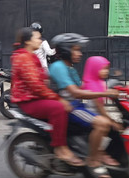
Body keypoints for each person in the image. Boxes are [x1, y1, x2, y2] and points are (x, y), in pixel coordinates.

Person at [49, 33, 121, 178]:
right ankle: (93, 160)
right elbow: (76, 93)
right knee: (103, 123)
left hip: (76, 106)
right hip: (69, 108)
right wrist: (105, 92)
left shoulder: (70, 68)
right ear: (66, 50)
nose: (80, 53)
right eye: (76, 50)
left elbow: (82, 87)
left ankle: (98, 152)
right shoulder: (58, 67)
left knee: (111, 122)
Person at [10, 27, 83, 167]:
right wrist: (57, 98)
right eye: (37, 38)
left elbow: (43, 82)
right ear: (28, 41)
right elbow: (36, 86)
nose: (40, 40)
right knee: (59, 108)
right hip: (28, 100)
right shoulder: (23, 58)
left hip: (37, 97)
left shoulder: (32, 56)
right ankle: (60, 148)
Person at [82, 56, 128, 166]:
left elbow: (109, 93)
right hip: (93, 116)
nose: (106, 71)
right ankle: (103, 154)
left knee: (118, 128)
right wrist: (112, 121)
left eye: (107, 68)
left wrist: (125, 91)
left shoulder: (99, 82)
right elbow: (100, 108)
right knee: (115, 130)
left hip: (98, 114)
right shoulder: (92, 84)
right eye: (103, 68)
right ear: (94, 69)